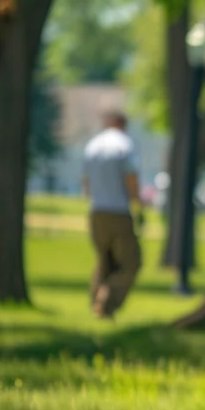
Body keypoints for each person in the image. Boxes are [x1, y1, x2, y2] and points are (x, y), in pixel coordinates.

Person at [82, 110, 144, 318]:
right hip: (118, 210)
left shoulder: (92, 146)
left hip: (96, 210)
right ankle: (107, 301)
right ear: (123, 124)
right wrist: (138, 204)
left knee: (104, 260)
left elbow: (86, 184)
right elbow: (131, 179)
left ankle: (95, 303)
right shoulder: (124, 145)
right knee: (131, 262)